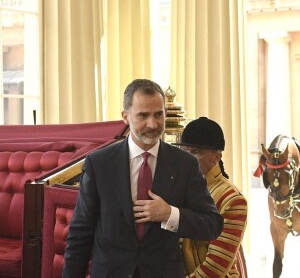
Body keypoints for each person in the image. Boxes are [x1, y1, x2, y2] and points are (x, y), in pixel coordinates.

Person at [62, 79, 223, 278]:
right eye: (143, 116)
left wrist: (169, 214)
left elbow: (212, 225)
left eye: (158, 115)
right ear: (125, 117)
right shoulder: (99, 164)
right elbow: (80, 234)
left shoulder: (186, 164)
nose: (152, 124)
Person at [174, 117, 248, 278]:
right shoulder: (176, 190)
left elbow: (216, 267)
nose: (187, 158)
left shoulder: (232, 199)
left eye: (195, 152)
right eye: (184, 151)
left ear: (217, 157)